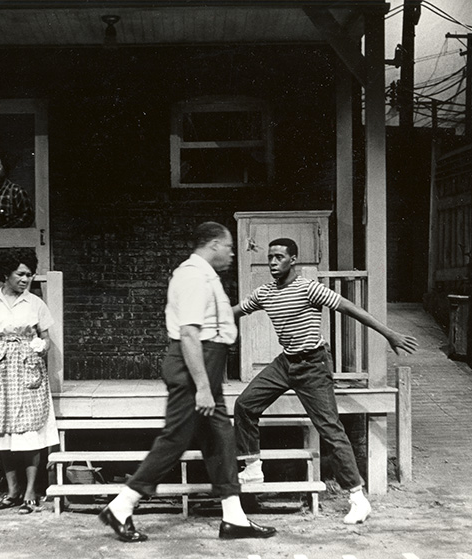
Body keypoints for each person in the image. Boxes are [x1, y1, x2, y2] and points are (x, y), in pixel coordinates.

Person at [99, 222, 277, 542]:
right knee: (176, 438)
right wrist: (204, 387)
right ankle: (122, 505)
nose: (232, 253)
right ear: (211, 245)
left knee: (220, 437)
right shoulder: (193, 277)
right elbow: (189, 335)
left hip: (207, 363)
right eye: (228, 246)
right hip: (194, 365)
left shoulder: (204, 275)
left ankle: (234, 517)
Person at [232, 238, 419, 524]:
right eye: (270, 257)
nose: (272, 263)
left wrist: (389, 333)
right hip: (286, 362)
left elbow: (349, 308)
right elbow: (236, 311)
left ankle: (357, 498)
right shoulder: (265, 293)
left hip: (313, 364)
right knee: (245, 404)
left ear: (293, 260)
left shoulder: (309, 288)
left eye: (279, 257)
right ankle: (253, 466)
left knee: (330, 429)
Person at [0, 247, 58, 514]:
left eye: (30, 275)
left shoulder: (35, 304)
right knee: (3, 431)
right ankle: (12, 491)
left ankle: (31, 491)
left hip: (27, 370)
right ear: (6, 274)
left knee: (30, 432)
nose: (26, 279)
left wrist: (40, 348)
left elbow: (45, 339)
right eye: (21, 274)